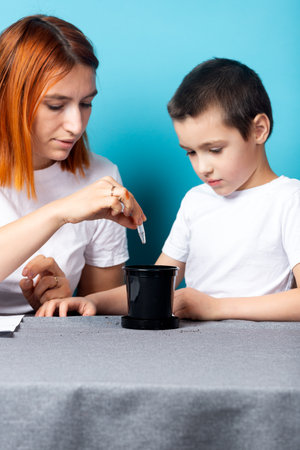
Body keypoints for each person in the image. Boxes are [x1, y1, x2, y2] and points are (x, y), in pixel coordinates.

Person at [36, 57, 300, 321]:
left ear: (259, 130)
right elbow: (155, 286)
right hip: (192, 347)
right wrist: (87, 301)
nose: (203, 167)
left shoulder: (289, 200)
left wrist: (217, 308)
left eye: (215, 150)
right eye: (191, 153)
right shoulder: (196, 201)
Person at [0, 15, 146, 314]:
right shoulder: (85, 195)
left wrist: (67, 300)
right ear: (9, 97)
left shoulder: (101, 178)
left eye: (86, 103)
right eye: (56, 105)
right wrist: (60, 212)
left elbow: (100, 314)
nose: (76, 125)